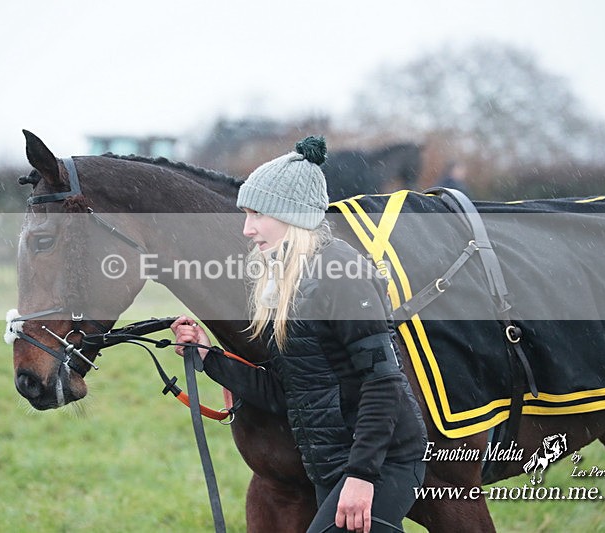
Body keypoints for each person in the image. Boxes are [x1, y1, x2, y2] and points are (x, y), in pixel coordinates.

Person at [171, 136, 426, 533]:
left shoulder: (342, 274)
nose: (247, 229)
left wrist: (362, 476)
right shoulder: (285, 282)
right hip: (332, 461)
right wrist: (209, 358)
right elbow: (288, 390)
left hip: (381, 461)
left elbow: (384, 383)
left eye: (257, 214)